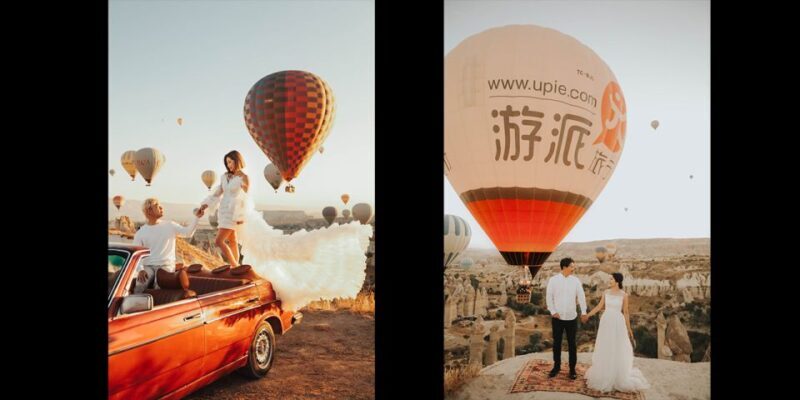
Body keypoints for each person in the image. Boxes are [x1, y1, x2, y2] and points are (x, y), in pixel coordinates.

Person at [197, 150, 374, 311]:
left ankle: (235, 267)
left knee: (220, 241)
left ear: (238, 161)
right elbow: (216, 194)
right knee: (232, 240)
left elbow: (246, 199)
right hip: (224, 212)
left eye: (231, 162)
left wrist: (241, 215)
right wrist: (204, 205)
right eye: (227, 162)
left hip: (236, 214)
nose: (229, 165)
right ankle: (236, 266)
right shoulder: (223, 177)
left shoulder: (244, 177)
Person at [583, 273, 650, 392]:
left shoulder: (624, 295)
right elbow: (599, 307)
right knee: (606, 345)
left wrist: (629, 329)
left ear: (617, 281)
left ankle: (616, 375)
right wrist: (588, 315)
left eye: (611, 279)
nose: (609, 280)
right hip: (606, 321)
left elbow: (626, 312)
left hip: (618, 322)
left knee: (617, 346)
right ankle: (605, 372)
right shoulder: (606, 292)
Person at [132, 198, 202, 292]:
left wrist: (197, 218)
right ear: (149, 210)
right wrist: (140, 270)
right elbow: (136, 254)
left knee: (158, 287)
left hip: (165, 265)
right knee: (139, 286)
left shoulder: (170, 225)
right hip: (148, 266)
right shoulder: (140, 232)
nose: (161, 207)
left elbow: (187, 233)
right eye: (157, 205)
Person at [545, 257, 587, 380]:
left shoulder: (576, 281)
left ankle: (572, 370)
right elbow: (549, 297)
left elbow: (582, 297)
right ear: (564, 267)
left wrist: (583, 312)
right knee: (557, 344)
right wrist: (552, 311)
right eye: (572, 266)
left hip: (571, 318)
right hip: (557, 318)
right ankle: (556, 367)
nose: (574, 268)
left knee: (572, 344)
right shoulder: (553, 280)